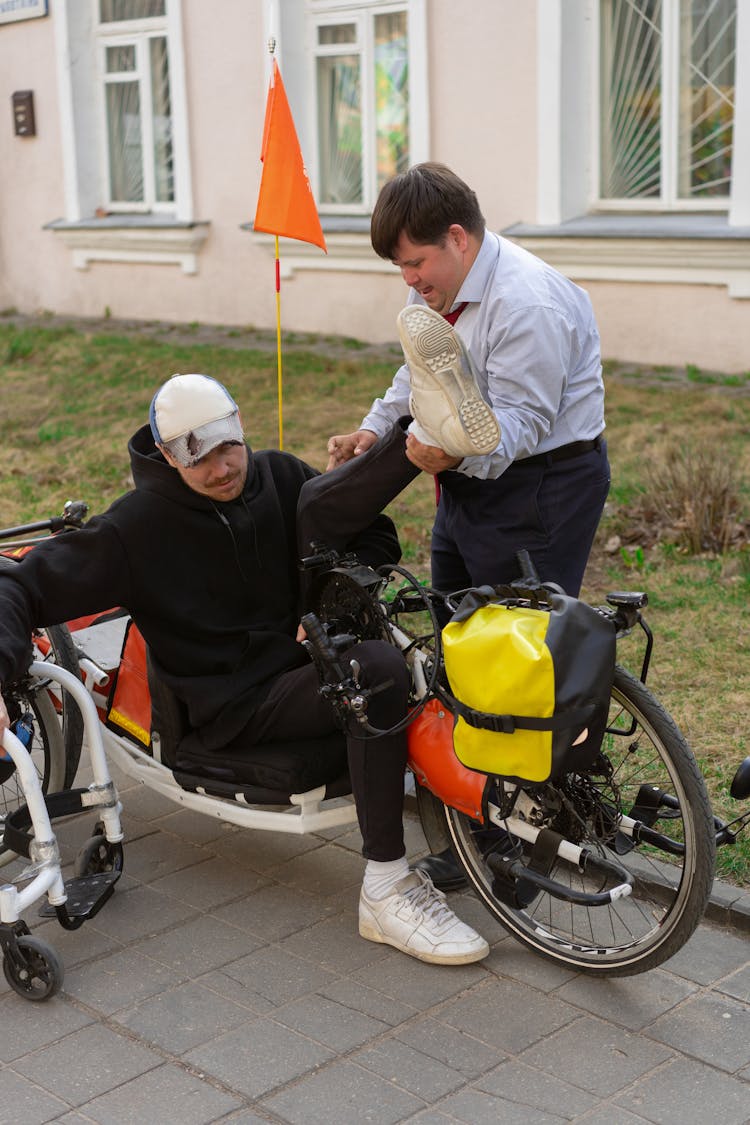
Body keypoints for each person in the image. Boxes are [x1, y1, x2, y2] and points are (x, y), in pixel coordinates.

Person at [0, 373, 488, 965]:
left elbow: (373, 535)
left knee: (431, 656)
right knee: (377, 672)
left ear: (239, 427)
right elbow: (18, 586)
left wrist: (332, 601)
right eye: (198, 459)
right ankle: (386, 889)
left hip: (304, 669)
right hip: (231, 706)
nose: (222, 469)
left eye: (228, 446)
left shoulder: (281, 475)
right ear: (167, 455)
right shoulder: (135, 527)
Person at [327, 163, 611, 889]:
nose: (409, 281)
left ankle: (526, 847)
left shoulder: (526, 304)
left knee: (518, 671)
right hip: (472, 486)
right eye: (400, 268)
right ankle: (479, 823)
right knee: (462, 654)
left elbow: (520, 425)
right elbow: (418, 375)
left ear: (457, 239)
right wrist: (373, 430)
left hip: (540, 486)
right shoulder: (447, 293)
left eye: (416, 263)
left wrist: (450, 452)